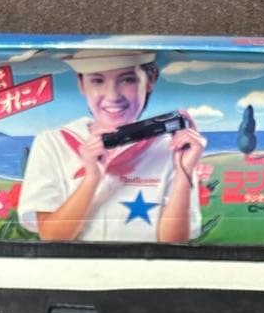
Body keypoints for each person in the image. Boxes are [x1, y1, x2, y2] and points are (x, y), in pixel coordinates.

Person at [18, 50, 205, 242]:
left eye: (128, 80)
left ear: (150, 79)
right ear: (81, 83)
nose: (113, 96)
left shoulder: (173, 148)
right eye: (97, 81)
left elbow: (174, 243)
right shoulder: (52, 143)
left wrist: (184, 171)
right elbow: (51, 236)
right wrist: (92, 179)